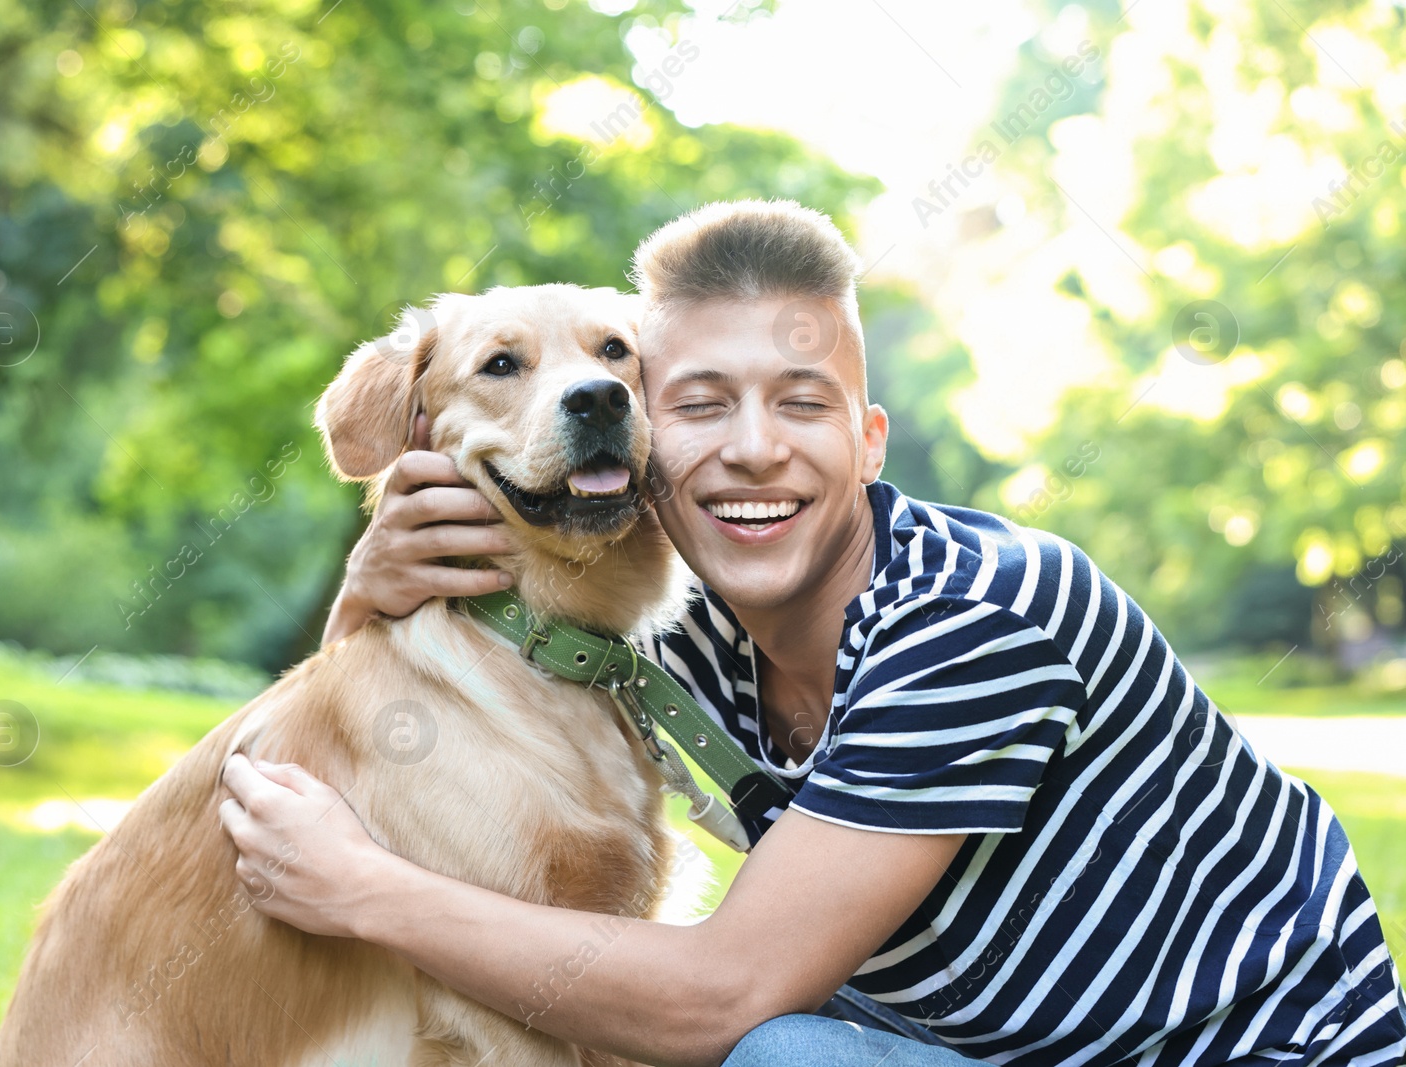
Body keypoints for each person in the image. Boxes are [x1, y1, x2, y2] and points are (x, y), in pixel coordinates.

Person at [219, 200, 1406, 1066]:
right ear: (646, 443)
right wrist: (369, 591)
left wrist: (365, 890)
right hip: (961, 1037)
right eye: (698, 404)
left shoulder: (975, 614)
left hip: (1255, 1053)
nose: (749, 450)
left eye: (800, 403)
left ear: (872, 441)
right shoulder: (673, 635)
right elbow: (411, 720)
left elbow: (715, 997)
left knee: (782, 1056)